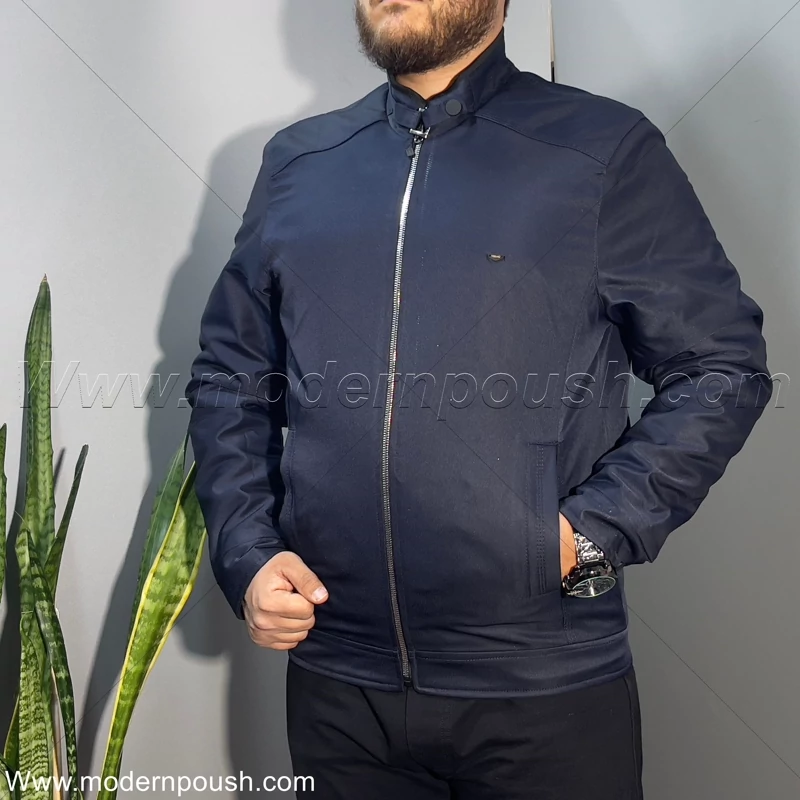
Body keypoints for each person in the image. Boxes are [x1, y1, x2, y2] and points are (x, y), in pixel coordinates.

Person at [184, 0, 772, 796]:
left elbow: (720, 365)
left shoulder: (602, 149)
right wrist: (249, 554)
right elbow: (232, 377)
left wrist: (590, 533)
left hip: (542, 691)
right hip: (338, 685)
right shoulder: (300, 161)